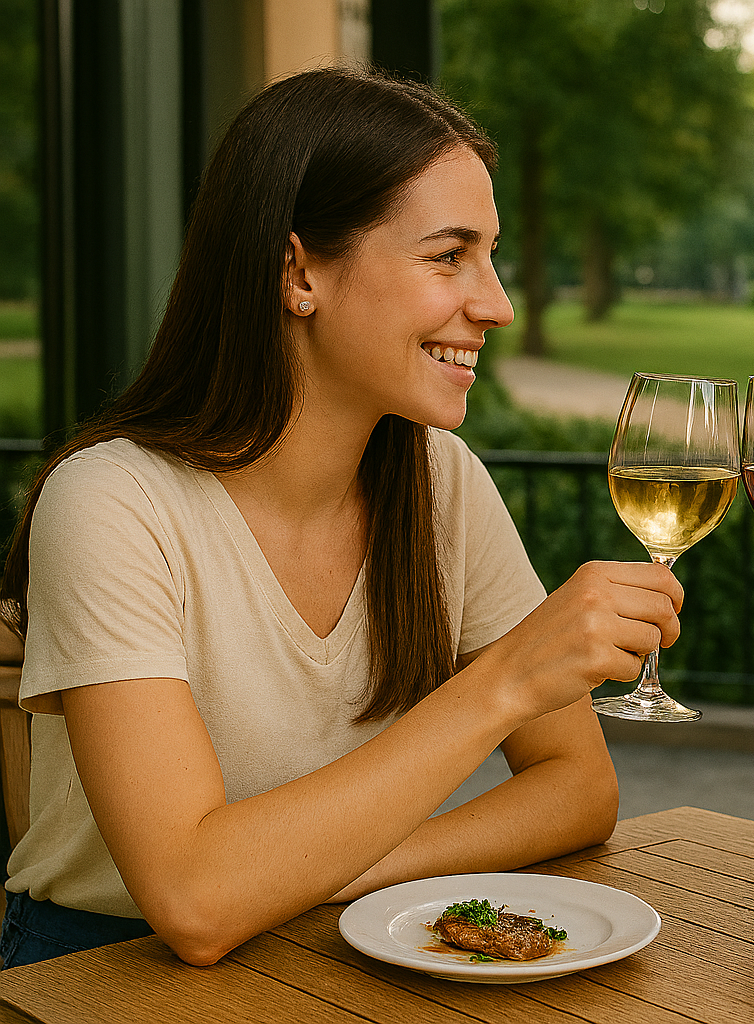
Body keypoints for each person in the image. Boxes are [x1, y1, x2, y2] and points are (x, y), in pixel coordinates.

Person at [0, 66, 683, 969]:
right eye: (450, 256)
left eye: (490, 255)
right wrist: (506, 682)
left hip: (332, 941)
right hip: (101, 971)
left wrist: (319, 874)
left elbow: (578, 789)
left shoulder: (438, 480)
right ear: (299, 273)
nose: (497, 304)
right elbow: (195, 901)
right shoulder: (112, 503)